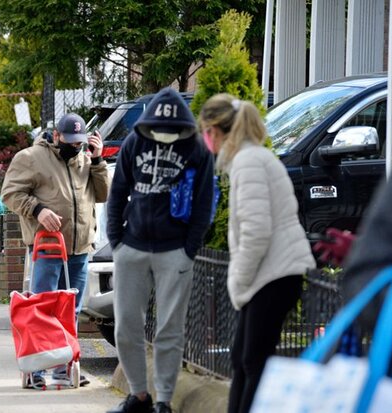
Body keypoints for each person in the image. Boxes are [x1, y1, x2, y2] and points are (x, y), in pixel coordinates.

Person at [198, 94, 316, 413]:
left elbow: (256, 231)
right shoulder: (250, 158)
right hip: (275, 273)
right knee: (245, 359)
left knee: (253, 362)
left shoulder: (248, 162)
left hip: (274, 275)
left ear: (216, 130)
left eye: (204, 132)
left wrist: (239, 282)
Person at [105, 87, 214, 413]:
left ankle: (164, 401)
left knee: (170, 328)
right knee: (126, 325)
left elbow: (205, 200)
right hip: (133, 245)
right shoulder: (135, 142)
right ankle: (138, 396)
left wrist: (189, 247)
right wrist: (116, 240)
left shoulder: (196, 148)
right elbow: (118, 190)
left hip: (174, 249)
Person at [1, 112, 109, 388]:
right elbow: (11, 193)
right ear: (57, 135)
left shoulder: (85, 159)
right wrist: (38, 210)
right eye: (70, 140)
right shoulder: (31, 158)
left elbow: (103, 194)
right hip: (47, 246)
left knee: (71, 310)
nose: (75, 146)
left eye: (79, 141)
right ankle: (37, 369)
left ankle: (64, 367)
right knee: (42, 308)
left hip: (80, 246)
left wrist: (97, 160)